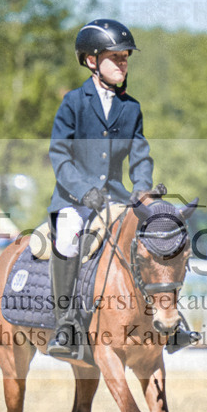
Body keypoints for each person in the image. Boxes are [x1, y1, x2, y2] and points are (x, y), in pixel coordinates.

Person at [45, 19, 156, 359]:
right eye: (115, 58)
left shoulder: (131, 107)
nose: (123, 64)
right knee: (67, 236)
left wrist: (142, 187)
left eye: (125, 58)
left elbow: (140, 154)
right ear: (92, 61)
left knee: (157, 232)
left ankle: (167, 321)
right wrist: (83, 192)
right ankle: (65, 324)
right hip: (74, 199)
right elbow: (59, 155)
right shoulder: (74, 103)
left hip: (117, 198)